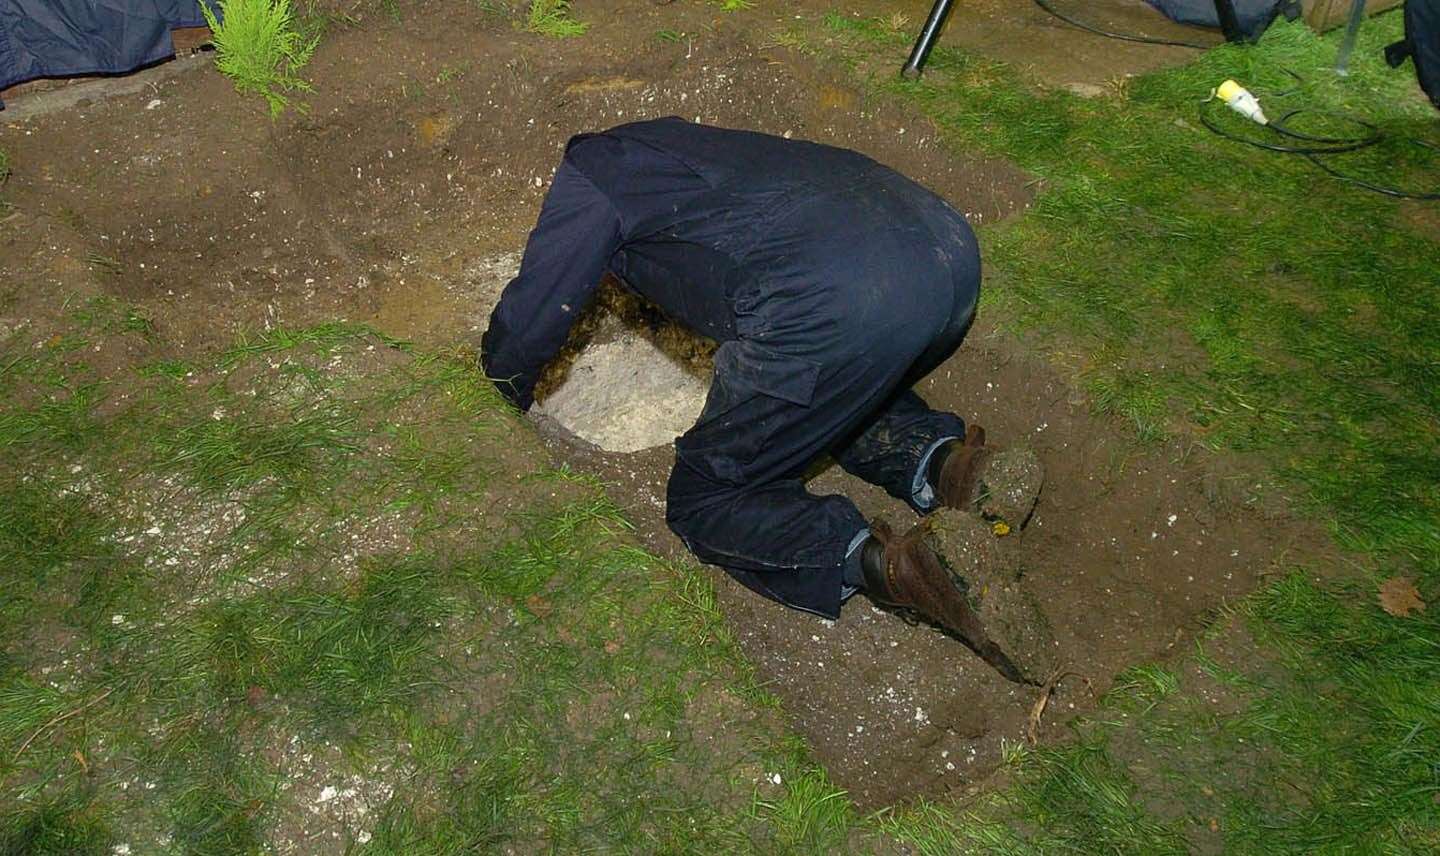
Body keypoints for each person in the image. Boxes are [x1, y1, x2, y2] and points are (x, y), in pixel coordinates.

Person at [483, 118, 1032, 681]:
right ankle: (954, 466)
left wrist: (492, 394)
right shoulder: (696, 154)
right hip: (947, 254)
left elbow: (532, 322)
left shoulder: (592, 177)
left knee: (709, 498)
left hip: (841, 301)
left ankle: (898, 567)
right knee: (836, 389)